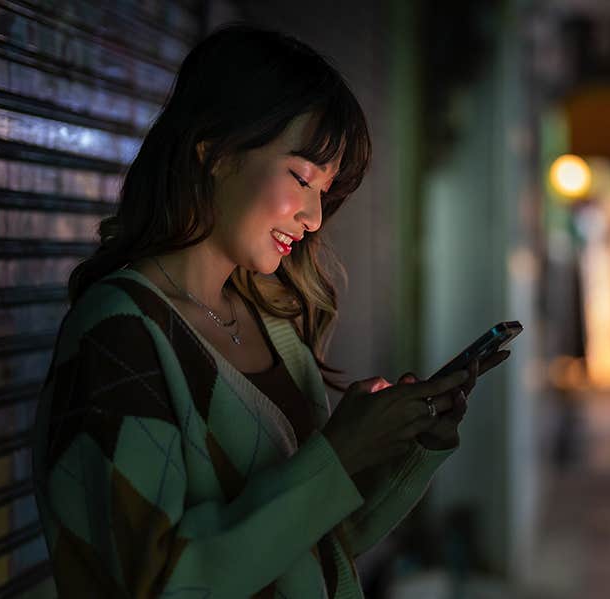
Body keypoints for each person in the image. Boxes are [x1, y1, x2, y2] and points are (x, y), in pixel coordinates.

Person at [31, 25, 509, 598]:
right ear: (214, 152)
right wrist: (338, 452)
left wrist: (405, 445)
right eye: (302, 177)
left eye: (325, 193)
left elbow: (310, 547)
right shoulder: (120, 335)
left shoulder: (274, 323)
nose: (313, 217)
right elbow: (158, 585)